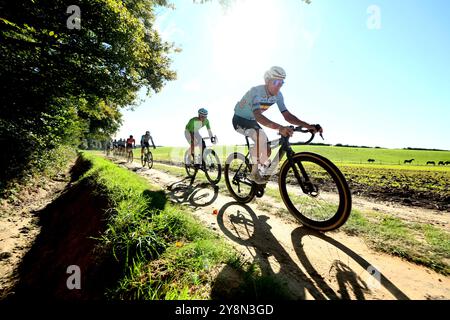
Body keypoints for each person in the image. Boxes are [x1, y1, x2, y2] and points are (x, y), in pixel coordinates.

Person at [232, 66, 323, 184]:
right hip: (239, 119)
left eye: (281, 82)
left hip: (252, 121)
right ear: (266, 81)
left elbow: (287, 115)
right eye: (275, 81)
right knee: (262, 138)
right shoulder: (256, 92)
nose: (278, 85)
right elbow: (258, 116)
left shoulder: (278, 96)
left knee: (267, 150)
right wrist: (280, 127)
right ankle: (253, 174)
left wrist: (308, 125)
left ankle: (258, 164)